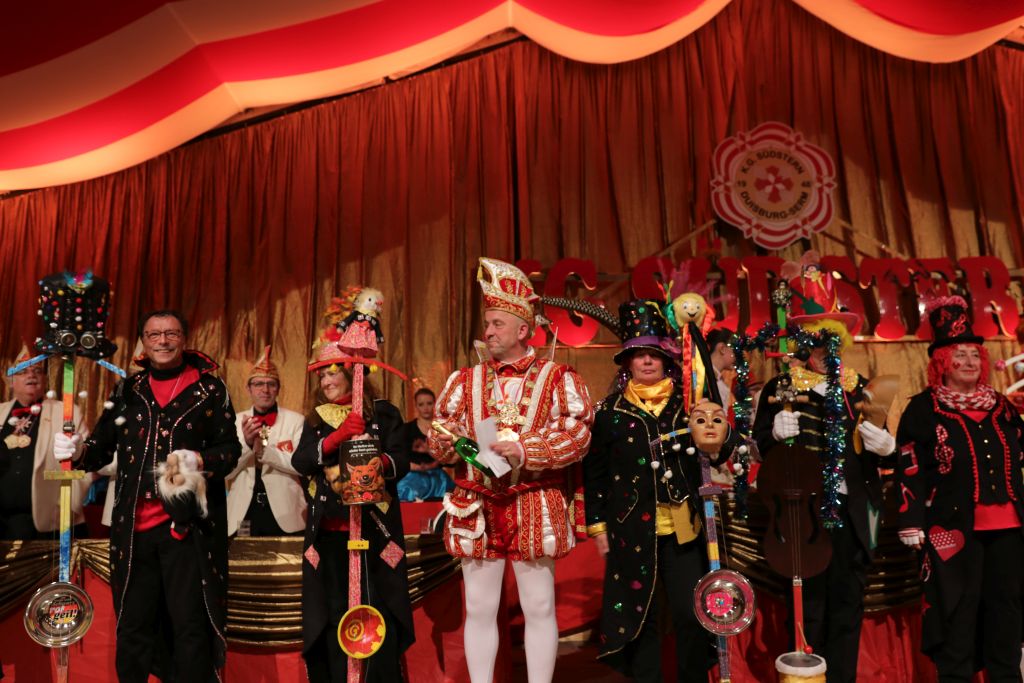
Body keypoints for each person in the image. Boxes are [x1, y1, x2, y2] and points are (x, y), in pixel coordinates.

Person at [429, 257, 594, 683]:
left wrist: (524, 449)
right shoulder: (464, 380)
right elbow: (440, 438)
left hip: (533, 499)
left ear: (523, 329)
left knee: (539, 605)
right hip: (477, 501)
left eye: (497, 323)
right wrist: (449, 441)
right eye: (487, 323)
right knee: (479, 607)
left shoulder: (558, 377)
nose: (488, 331)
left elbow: (577, 434)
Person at [55, 310, 240, 682]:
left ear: (184, 339)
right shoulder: (128, 390)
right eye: (154, 334)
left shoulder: (210, 389)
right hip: (133, 532)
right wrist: (77, 451)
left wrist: (200, 459)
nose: (163, 341)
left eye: (171, 333)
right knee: (133, 625)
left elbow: (231, 451)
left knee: (189, 626)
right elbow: (101, 448)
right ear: (143, 341)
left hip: (187, 530)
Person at [752, 261, 895, 683]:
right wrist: (772, 435)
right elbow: (758, 447)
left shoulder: (858, 387)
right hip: (802, 516)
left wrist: (886, 449)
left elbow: (878, 447)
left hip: (851, 513)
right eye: (814, 342)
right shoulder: (781, 388)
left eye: (830, 342)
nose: (822, 351)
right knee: (807, 608)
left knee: (848, 605)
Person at [584, 299, 714, 682]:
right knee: (640, 619)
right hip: (631, 530)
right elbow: (595, 474)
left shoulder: (689, 404)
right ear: (627, 362)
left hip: (685, 530)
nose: (646, 361)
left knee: (691, 612)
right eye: (638, 354)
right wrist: (598, 527)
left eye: (653, 354)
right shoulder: (610, 412)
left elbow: (717, 448)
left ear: (665, 359)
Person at [896, 296, 1024, 682]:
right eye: (959, 355)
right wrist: (910, 519)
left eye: (974, 356)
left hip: (1010, 528)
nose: (969, 362)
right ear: (942, 363)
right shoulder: (924, 409)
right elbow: (909, 466)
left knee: (1007, 609)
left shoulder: (1002, 406)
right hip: (951, 528)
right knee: (957, 609)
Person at [292, 328, 414, 682]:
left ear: (352, 373)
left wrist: (376, 461)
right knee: (333, 613)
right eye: (321, 375)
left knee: (378, 608)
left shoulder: (383, 413)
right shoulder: (316, 420)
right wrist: (338, 437)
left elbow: (401, 461)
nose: (325, 381)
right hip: (330, 537)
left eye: (332, 373)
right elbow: (301, 461)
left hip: (376, 534)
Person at [0, 345, 89, 540]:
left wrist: (69, 507)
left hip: (50, 521)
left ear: (45, 379)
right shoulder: (1, 412)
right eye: (23, 372)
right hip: (3, 523)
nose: (31, 375)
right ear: (10, 381)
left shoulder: (66, 412)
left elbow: (85, 465)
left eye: (37, 371)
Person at [226, 346, 306, 536]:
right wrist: (247, 444)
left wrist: (263, 451)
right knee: (242, 554)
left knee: (287, 556)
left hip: (287, 513)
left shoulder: (296, 421)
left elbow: (301, 466)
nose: (265, 390)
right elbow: (226, 472)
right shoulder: (234, 422)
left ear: (278, 389)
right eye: (258, 384)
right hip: (243, 511)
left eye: (271, 384)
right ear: (248, 389)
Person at [397, 387, 453, 501]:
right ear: (416, 406)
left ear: (435, 404)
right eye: (421, 404)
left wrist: (429, 450)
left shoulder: (443, 429)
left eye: (429, 403)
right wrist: (418, 467)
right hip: (413, 478)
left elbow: (451, 461)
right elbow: (400, 458)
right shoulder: (406, 429)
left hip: (439, 479)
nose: (426, 408)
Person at [706, 327, 737, 413]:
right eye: (735, 350)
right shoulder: (704, 378)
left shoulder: (719, 379)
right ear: (722, 348)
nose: (737, 356)